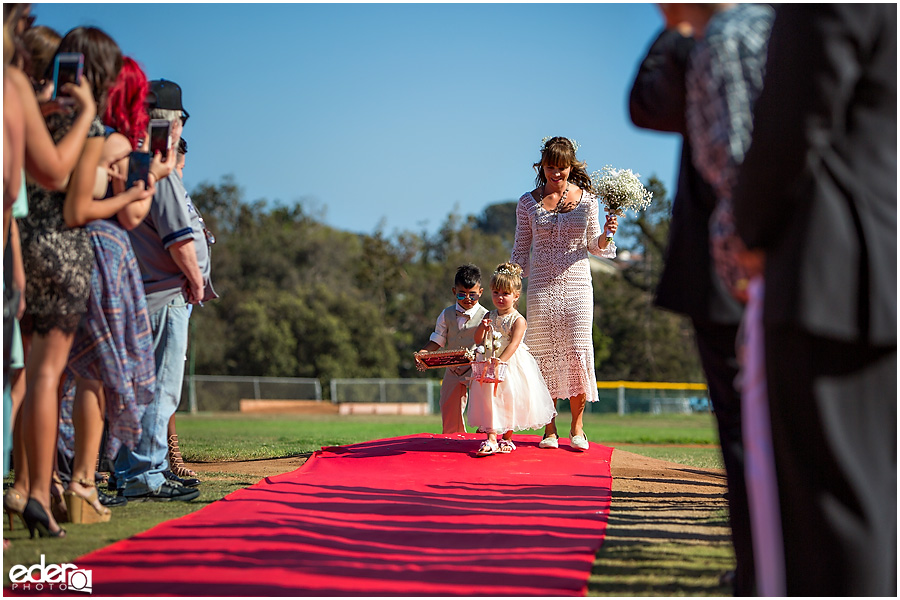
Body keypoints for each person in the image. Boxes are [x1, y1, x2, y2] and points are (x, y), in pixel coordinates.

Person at [732, 5, 896, 596]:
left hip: (833, 280)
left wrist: (747, 231)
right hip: (879, 274)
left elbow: (789, 126)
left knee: (831, 520)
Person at [17, 26, 147, 538]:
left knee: (29, 377)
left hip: (23, 244)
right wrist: (132, 186)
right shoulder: (92, 130)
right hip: (70, 254)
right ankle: (63, 490)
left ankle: (32, 482)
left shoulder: (33, 111)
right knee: (70, 377)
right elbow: (77, 206)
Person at [61, 56, 167, 523]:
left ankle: (50, 481)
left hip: (62, 253)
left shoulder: (70, 131)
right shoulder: (109, 141)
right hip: (98, 257)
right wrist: (145, 184)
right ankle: (82, 484)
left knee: (56, 379)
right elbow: (124, 215)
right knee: (96, 375)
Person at [115, 78, 214, 501]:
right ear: (175, 123)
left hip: (147, 291)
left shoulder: (134, 161)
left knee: (146, 387)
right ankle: (145, 474)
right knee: (160, 388)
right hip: (165, 292)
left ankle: (142, 468)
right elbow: (178, 237)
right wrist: (194, 280)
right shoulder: (159, 168)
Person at [509, 136, 616, 452]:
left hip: (578, 288)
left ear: (572, 167)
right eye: (551, 167)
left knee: (577, 350)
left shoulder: (588, 200)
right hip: (541, 287)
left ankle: (578, 427)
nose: (556, 174)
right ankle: (549, 428)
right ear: (542, 166)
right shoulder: (527, 202)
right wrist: (510, 282)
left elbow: (595, 246)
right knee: (542, 355)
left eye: (562, 168)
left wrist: (608, 234)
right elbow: (520, 248)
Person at [466, 263, 556, 456]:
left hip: (510, 363)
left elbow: (514, 343)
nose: (500, 297)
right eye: (496, 292)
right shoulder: (489, 316)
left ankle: (507, 437)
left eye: (505, 293)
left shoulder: (518, 320)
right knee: (490, 398)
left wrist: (501, 361)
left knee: (509, 399)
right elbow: (477, 339)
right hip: (489, 362)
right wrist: (483, 326)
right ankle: (491, 437)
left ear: (515, 295)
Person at [417, 264, 488, 434]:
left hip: (477, 368)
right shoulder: (446, 314)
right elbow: (438, 339)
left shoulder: (486, 316)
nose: (467, 299)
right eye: (462, 294)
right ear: (454, 291)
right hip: (453, 368)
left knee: (484, 404)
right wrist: (424, 353)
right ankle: (452, 438)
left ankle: (485, 435)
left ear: (481, 292)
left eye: (473, 295)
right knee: (449, 404)